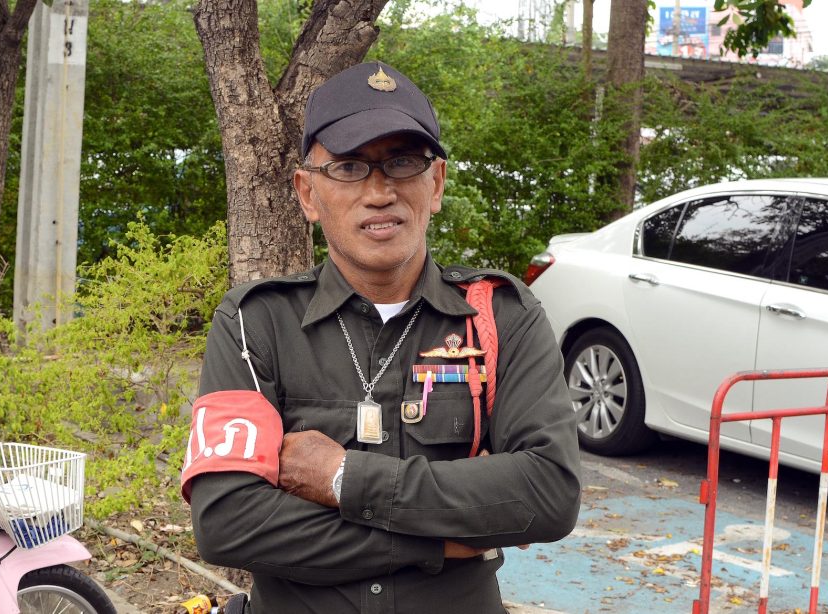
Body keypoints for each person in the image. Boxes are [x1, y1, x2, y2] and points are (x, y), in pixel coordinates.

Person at [181, 61, 580, 614]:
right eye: (348, 167)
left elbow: (548, 495)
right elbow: (228, 522)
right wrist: (439, 539)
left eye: (402, 162)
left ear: (435, 183)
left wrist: (344, 478)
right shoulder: (255, 321)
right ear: (307, 194)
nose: (379, 191)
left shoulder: (500, 316)